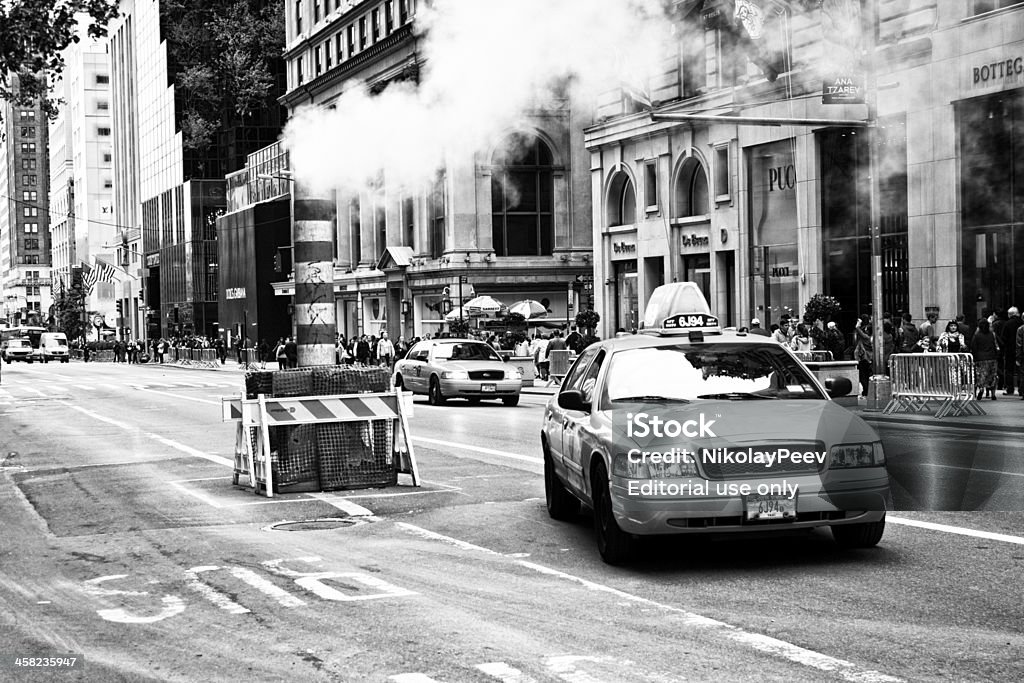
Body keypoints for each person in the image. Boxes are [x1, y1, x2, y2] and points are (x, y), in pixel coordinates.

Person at [971, 319, 999, 400]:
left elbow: (973, 347)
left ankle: (981, 389)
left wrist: (975, 357)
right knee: (992, 376)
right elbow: (995, 345)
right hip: (991, 357)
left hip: (980, 358)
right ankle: (993, 394)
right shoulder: (991, 334)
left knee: (981, 376)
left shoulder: (977, 335)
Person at [1000, 306, 1022, 395]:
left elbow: (1003, 338)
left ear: (1010, 314)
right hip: (1021, 350)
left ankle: (1010, 389)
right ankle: (1021, 389)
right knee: (1021, 370)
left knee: (1009, 370)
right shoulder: (1021, 323)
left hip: (1009, 350)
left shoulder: (1007, 324)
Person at [854, 315, 873, 397]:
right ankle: (867, 390)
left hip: (864, 357)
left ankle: (866, 391)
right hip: (870, 357)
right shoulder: (873, 338)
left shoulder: (866, 338)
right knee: (867, 374)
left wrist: (859, 323)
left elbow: (857, 329)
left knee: (863, 375)